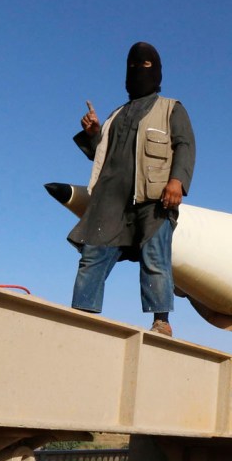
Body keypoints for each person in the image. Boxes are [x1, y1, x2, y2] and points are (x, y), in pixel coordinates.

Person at [64, 41, 196, 337]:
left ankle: (161, 321)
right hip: (110, 200)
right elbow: (102, 154)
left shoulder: (171, 108)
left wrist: (177, 181)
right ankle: (81, 315)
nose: (138, 71)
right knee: (92, 254)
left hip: (153, 197)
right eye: (133, 66)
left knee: (155, 256)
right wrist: (94, 133)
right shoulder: (115, 115)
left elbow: (185, 146)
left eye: (146, 66)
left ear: (158, 72)